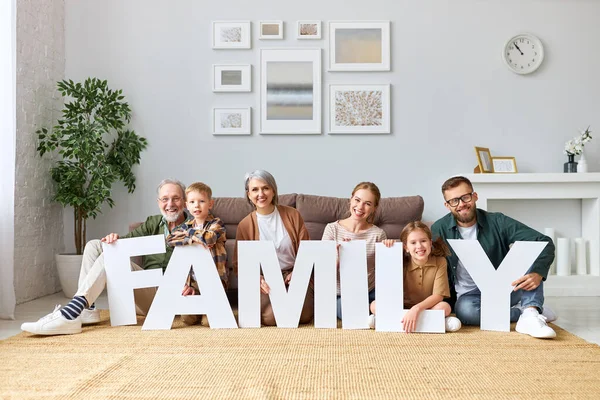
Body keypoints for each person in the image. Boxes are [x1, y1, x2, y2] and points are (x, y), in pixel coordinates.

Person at [21, 179, 190, 335]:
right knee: (95, 245)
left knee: (110, 259)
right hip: (143, 295)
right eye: (165, 199)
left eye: (176, 198)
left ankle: (71, 313)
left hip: (168, 297)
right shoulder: (153, 222)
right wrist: (114, 240)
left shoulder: (195, 227)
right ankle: (87, 310)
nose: (170, 204)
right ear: (158, 202)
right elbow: (126, 243)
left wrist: (193, 285)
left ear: (184, 201)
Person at [431, 176, 557, 339]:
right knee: (466, 313)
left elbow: (544, 242)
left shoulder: (498, 221)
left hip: (508, 287)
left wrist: (538, 272)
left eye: (465, 197)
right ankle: (524, 311)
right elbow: (421, 254)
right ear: (447, 205)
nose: (461, 204)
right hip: (470, 296)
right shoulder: (439, 228)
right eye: (454, 201)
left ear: (475, 196)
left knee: (530, 249)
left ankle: (531, 312)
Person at [233, 170, 313, 326]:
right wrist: (257, 278)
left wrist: (298, 272)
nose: (261, 193)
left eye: (265, 188)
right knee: (270, 317)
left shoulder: (292, 215)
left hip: (293, 276)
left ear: (273, 190)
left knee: (303, 315)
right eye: (255, 189)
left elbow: (306, 249)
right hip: (266, 280)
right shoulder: (245, 225)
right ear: (248, 194)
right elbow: (238, 264)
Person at [368, 221, 462, 333]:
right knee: (374, 306)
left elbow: (438, 296)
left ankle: (388, 321)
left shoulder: (440, 262)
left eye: (423, 241)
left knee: (445, 307)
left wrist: (416, 309)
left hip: (427, 307)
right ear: (406, 247)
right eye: (413, 243)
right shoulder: (400, 261)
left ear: (430, 243)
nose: (419, 246)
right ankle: (438, 323)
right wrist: (388, 247)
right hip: (401, 307)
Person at [321, 182, 387, 320]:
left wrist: (389, 247)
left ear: (374, 208)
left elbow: (384, 271)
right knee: (346, 311)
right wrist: (340, 257)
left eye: (368, 203)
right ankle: (372, 313)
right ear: (351, 199)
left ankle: (373, 311)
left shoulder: (378, 234)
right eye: (357, 200)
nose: (360, 207)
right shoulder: (332, 229)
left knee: (386, 304)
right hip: (340, 294)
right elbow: (324, 272)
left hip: (369, 292)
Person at [166, 182, 227, 327]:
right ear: (187, 205)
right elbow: (170, 239)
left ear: (210, 204)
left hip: (214, 279)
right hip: (193, 280)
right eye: (192, 202)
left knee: (208, 322)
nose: (197, 206)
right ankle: (196, 297)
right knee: (187, 319)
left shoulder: (216, 224)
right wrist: (192, 237)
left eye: (201, 201)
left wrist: (188, 235)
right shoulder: (186, 225)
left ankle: (210, 307)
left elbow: (210, 237)